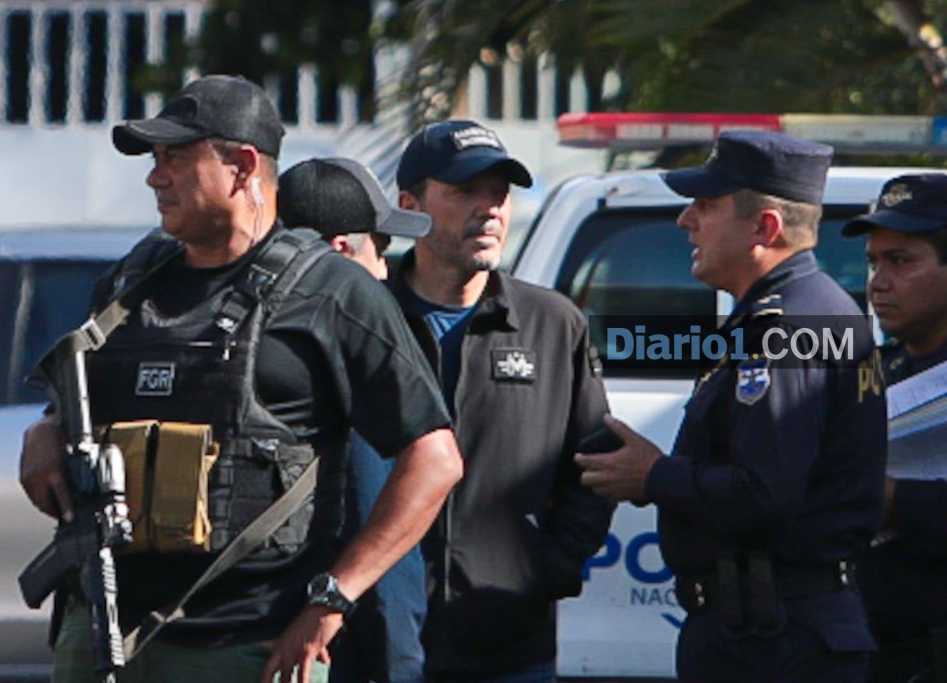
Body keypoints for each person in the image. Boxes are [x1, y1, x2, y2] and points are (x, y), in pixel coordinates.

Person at [18, 75, 463, 683]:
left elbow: (434, 461)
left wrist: (332, 601)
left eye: (176, 157)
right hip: (105, 630)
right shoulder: (132, 281)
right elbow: (83, 396)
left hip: (251, 644)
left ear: (243, 166)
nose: (156, 176)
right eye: (155, 159)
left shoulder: (331, 290)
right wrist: (46, 428)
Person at [576, 130, 887, 682]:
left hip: (774, 640)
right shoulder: (800, 313)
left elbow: (766, 494)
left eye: (706, 206)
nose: (685, 221)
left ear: (765, 227)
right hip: (770, 628)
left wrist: (654, 476)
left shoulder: (789, 326)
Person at [392, 119, 616, 682]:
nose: (489, 209)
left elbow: (595, 466)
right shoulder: (366, 317)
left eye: (499, 193)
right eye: (466, 191)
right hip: (378, 642)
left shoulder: (552, 322)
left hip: (509, 648)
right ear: (410, 204)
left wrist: (547, 570)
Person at [277, 156, 432, 683]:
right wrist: (401, 664)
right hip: (329, 647)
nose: (386, 271)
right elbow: (378, 507)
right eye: (381, 250)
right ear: (342, 252)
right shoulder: (347, 349)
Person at [842, 173, 947, 683]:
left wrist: (893, 500)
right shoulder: (873, 373)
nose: (878, 281)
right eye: (873, 262)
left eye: (901, 261)